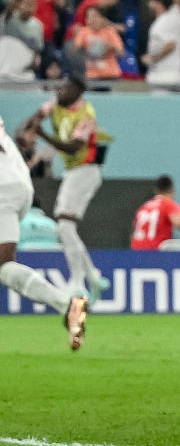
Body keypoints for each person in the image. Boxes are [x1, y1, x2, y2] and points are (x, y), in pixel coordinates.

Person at [0, 116, 88, 350]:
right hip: (18, 183)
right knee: (4, 265)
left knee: (3, 265)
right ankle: (67, 307)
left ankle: (65, 305)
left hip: (3, 187)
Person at [24, 76, 111, 302]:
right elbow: (37, 116)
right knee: (66, 227)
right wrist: (29, 127)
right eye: (60, 87)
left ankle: (77, 280)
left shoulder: (86, 115)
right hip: (74, 171)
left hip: (86, 169)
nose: (60, 91)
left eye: (66, 88)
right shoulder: (56, 103)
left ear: (77, 92)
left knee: (64, 223)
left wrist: (42, 134)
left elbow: (73, 148)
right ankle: (93, 277)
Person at [142, 0, 180, 87]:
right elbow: (177, 3)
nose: (149, 4)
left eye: (152, 1)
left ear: (158, 3)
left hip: (162, 76)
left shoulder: (163, 22)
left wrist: (153, 58)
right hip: (174, 74)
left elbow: (170, 45)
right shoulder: (176, 15)